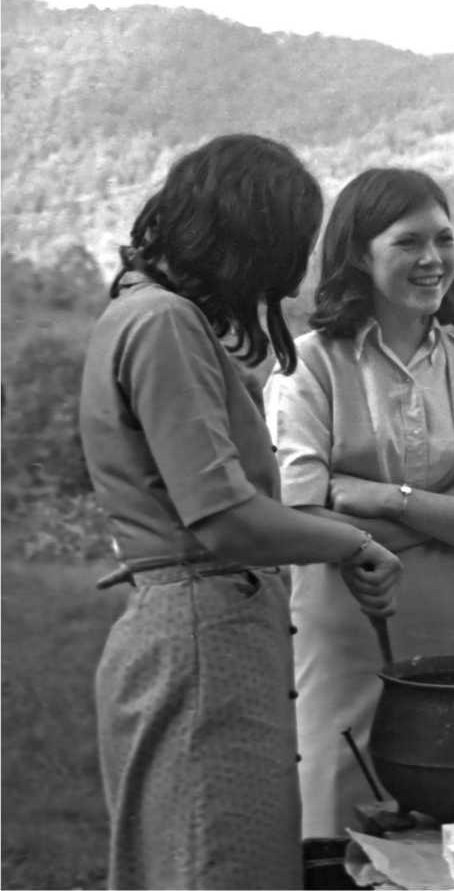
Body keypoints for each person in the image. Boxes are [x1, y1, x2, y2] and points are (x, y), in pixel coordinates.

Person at [78, 134, 404, 890]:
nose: (285, 278)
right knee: (217, 865)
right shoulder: (162, 324)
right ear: (247, 239)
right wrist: (351, 540)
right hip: (201, 647)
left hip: (201, 636)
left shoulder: (138, 313)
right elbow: (221, 516)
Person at [265, 167, 454, 839]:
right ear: (359, 252)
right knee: (343, 832)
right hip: (345, 645)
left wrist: (383, 499)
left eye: (444, 240)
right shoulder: (307, 368)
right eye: (408, 242)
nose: (432, 260)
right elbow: (299, 524)